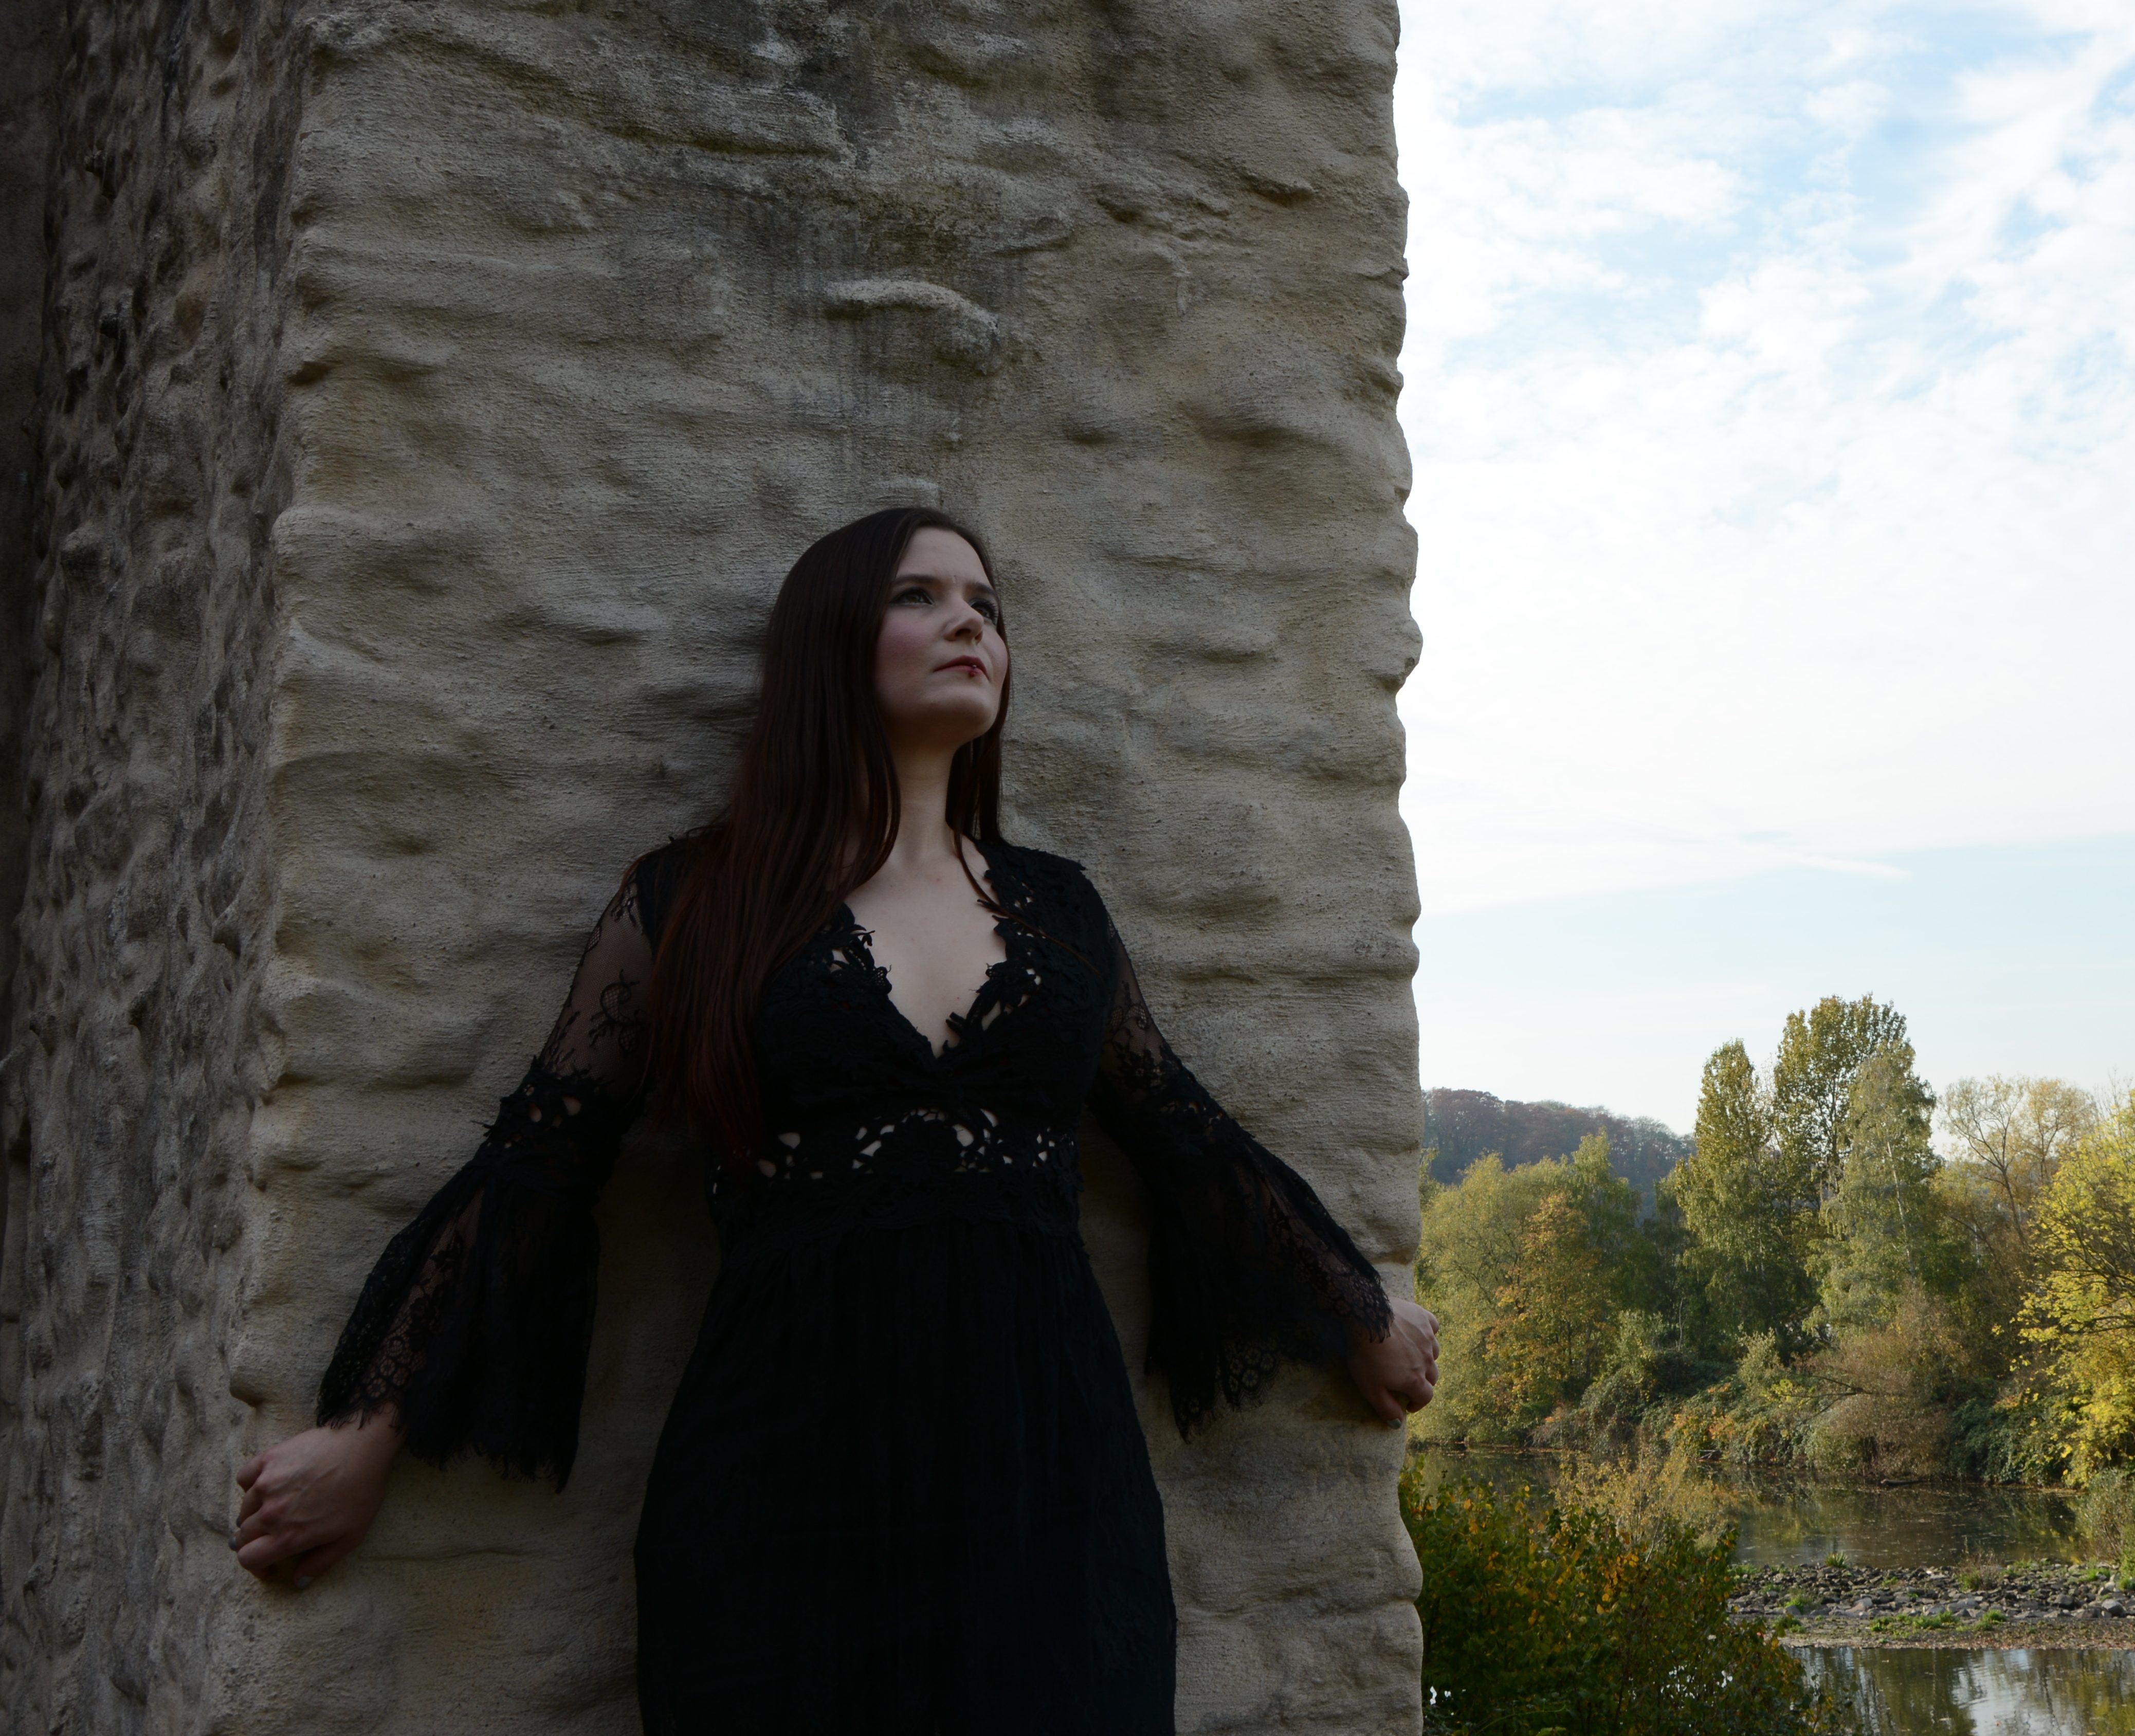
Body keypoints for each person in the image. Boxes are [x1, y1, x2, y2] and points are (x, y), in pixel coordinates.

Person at [226, 508, 1439, 1731]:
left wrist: (1354, 1309)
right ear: (827, 642)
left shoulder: (1059, 911)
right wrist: (364, 1438)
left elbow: (1182, 1131)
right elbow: (539, 1161)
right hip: (775, 1499)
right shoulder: (692, 902)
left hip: (1050, 1498)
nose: (969, 623)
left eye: (986, 607)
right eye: (919, 596)